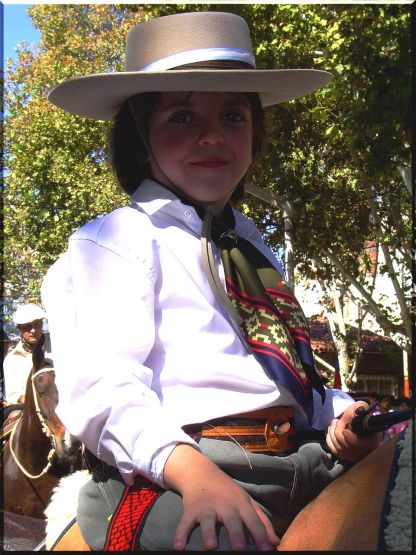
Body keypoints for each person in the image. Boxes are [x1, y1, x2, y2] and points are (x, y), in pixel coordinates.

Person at [41, 11, 382, 551]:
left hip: (302, 457)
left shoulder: (251, 245)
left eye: (232, 115)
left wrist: (341, 414)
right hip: (179, 471)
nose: (211, 136)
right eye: (181, 117)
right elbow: (102, 389)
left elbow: (285, 371)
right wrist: (193, 474)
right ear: (138, 139)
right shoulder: (115, 241)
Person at [2, 304, 50, 406]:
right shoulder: (12, 359)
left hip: (61, 404)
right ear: (20, 329)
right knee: (12, 415)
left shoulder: (57, 346)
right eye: (27, 326)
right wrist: (30, 399)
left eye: (37, 324)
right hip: (29, 408)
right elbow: (13, 395)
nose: (33, 330)